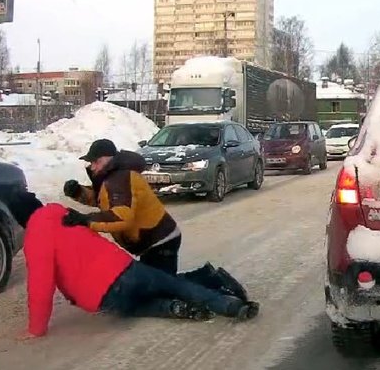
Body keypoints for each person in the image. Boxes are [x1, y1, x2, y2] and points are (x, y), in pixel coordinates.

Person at [19, 203, 260, 339]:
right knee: (174, 285)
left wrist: (36, 330)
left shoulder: (35, 237)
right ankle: (231, 305)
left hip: (102, 297)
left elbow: (41, 284)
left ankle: (172, 308)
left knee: (134, 306)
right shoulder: (64, 215)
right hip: (125, 269)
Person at [62, 139, 247, 301]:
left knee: (164, 288)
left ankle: (212, 279)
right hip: (156, 239)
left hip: (160, 240)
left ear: (110, 158)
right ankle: (209, 277)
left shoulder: (119, 178)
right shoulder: (112, 178)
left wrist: (86, 220)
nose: (92, 166)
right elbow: (105, 201)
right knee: (159, 286)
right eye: (91, 162)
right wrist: (79, 193)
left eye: (96, 161)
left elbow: (121, 217)